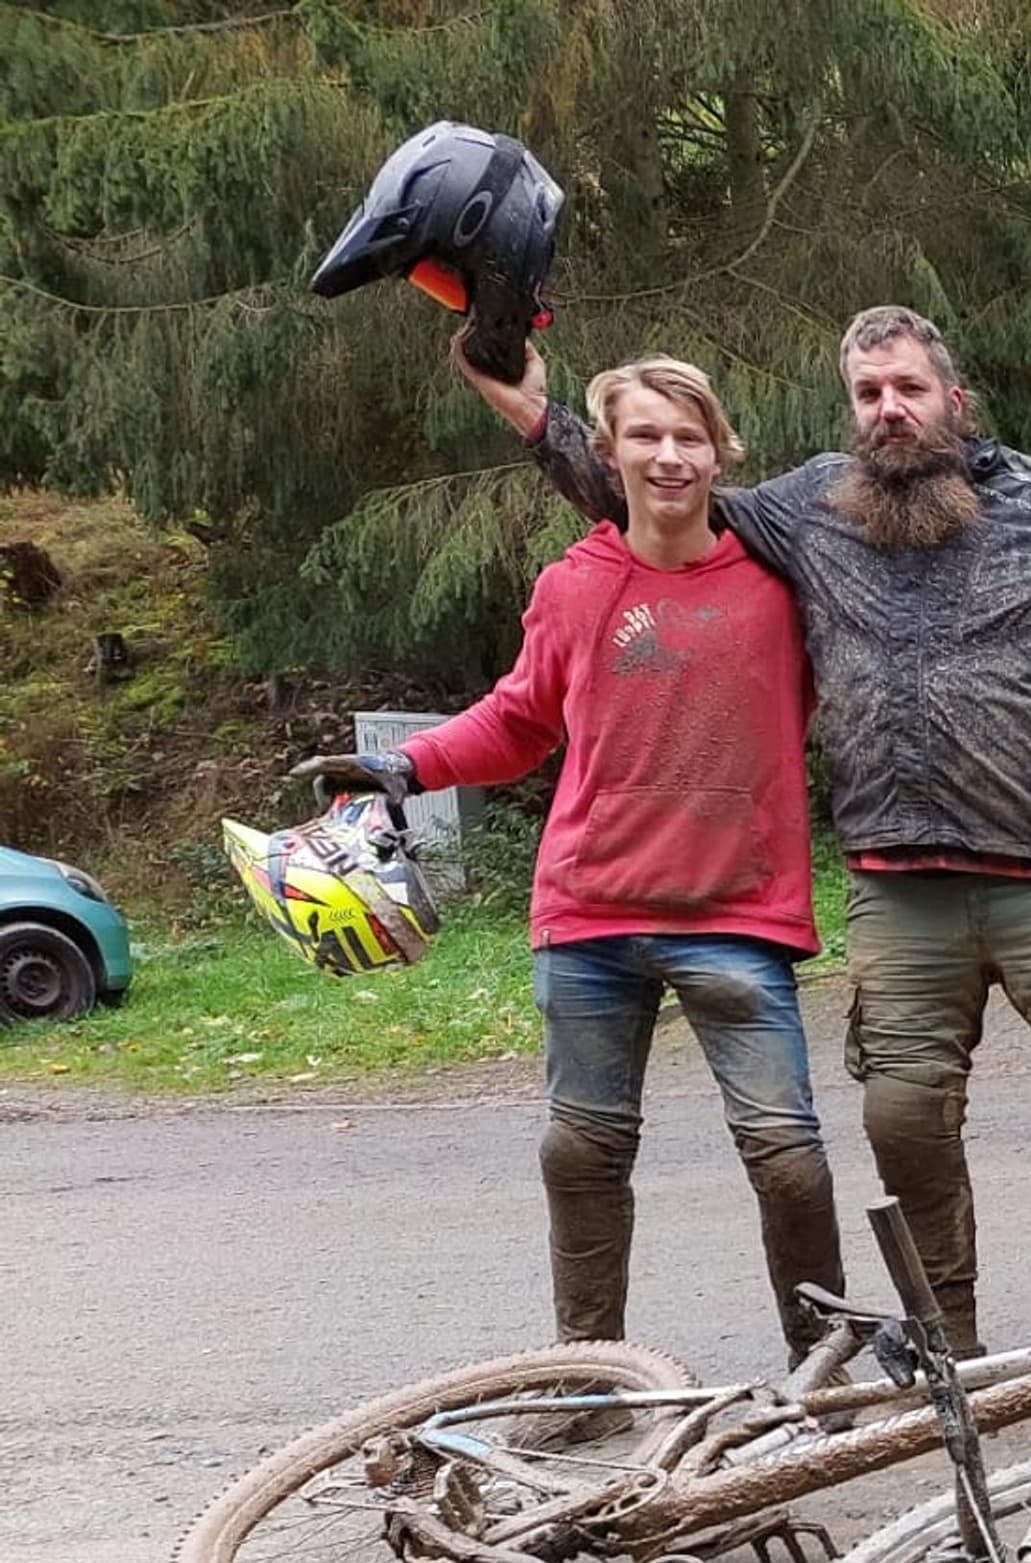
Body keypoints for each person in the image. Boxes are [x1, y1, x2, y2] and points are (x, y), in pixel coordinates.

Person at [460, 308, 1031, 1364]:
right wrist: (538, 414)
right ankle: (948, 1358)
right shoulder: (813, 508)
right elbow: (659, 497)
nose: (890, 410)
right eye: (869, 394)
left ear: (954, 397)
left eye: (908, 388)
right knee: (903, 1123)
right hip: (898, 883)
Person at [339, 354, 842, 1358]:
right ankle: (588, 1373)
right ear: (608, 454)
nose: (669, 455)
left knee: (789, 1159)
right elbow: (521, 720)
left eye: (689, 436)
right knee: (581, 1153)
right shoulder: (574, 585)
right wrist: (407, 764)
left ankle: (825, 1365)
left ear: (720, 452)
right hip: (591, 914)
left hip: (736, 913)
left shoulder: (785, 584)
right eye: (646, 436)